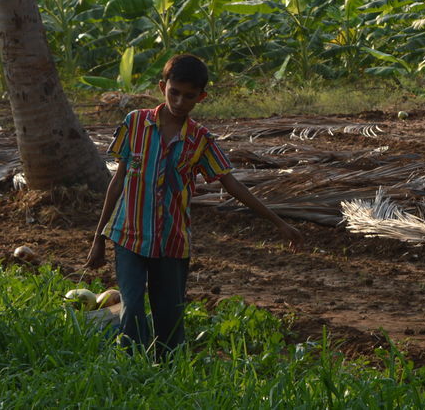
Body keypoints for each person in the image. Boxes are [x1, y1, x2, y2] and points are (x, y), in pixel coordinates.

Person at [84, 54, 304, 356]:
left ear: (201, 97)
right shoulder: (135, 123)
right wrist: (98, 238)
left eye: (189, 96)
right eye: (174, 92)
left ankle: (168, 369)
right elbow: (118, 181)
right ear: (163, 87)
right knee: (132, 306)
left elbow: (231, 183)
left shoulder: (200, 140)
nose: (179, 101)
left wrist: (278, 221)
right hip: (128, 235)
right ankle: (132, 367)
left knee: (169, 319)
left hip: (171, 242)